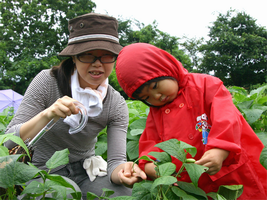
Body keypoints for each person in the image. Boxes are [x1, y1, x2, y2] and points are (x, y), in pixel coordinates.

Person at [5, 13, 146, 199]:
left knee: (123, 194)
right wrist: (47, 115)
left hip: (86, 171)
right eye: (88, 55)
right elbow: (8, 142)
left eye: (106, 56)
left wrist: (123, 172)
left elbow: (115, 161)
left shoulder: (115, 103)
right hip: (41, 169)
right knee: (65, 193)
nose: (97, 64)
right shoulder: (47, 82)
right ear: (74, 57)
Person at [115, 43, 267, 199]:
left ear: (166, 69)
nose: (156, 96)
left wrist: (219, 150)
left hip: (231, 174)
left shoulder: (206, 85)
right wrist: (152, 167)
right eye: (146, 97)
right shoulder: (156, 112)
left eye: (155, 86)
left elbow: (227, 119)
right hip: (190, 186)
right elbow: (151, 144)